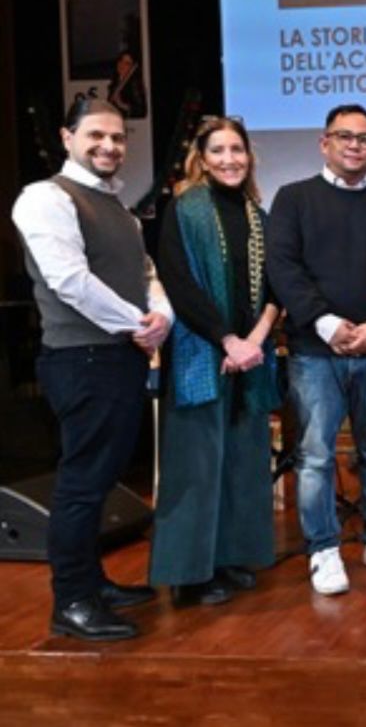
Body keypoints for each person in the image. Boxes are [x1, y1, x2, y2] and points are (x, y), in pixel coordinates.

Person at [11, 98, 171, 640]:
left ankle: (94, 583)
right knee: (82, 484)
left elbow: (145, 274)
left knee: (102, 479)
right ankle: (72, 602)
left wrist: (160, 317)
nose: (108, 146)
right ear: (67, 137)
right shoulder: (45, 197)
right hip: (81, 358)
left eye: (118, 137)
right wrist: (137, 324)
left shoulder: (118, 207)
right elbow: (69, 281)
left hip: (118, 356)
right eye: (96, 135)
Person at [266, 104, 366, 595]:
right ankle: (323, 548)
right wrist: (326, 323)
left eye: (365, 138)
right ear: (324, 143)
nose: (355, 145)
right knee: (315, 455)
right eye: (345, 136)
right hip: (315, 353)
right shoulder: (293, 199)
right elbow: (283, 267)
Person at [149, 116, 280, 606]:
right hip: (202, 354)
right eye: (218, 151)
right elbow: (179, 283)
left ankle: (227, 558)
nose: (229, 159)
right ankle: (189, 576)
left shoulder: (259, 216)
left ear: (249, 157)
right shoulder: (183, 210)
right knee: (197, 468)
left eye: (237, 150)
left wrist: (253, 342)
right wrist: (227, 340)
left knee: (241, 463)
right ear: (201, 160)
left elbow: (275, 287)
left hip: (250, 356)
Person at [106, 49, 147, 120]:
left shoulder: (134, 84)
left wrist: (121, 104)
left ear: (132, 67)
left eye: (127, 63)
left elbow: (141, 111)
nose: (122, 65)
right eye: (121, 61)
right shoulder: (115, 82)